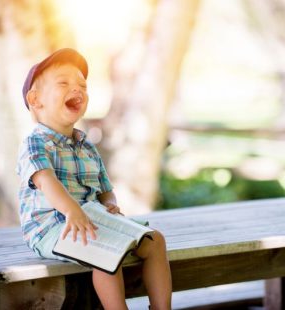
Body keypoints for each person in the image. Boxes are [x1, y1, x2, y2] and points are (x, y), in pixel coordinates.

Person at [16, 48, 172, 309]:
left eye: (82, 85)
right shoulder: (35, 142)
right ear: (35, 100)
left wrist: (110, 203)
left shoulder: (85, 144)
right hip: (52, 228)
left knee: (155, 240)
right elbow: (46, 181)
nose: (76, 89)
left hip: (91, 218)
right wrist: (72, 211)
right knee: (105, 252)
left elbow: (104, 187)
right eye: (64, 83)